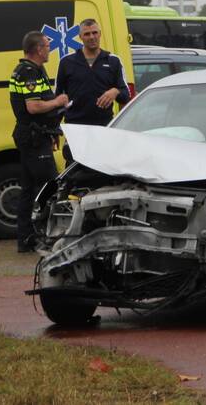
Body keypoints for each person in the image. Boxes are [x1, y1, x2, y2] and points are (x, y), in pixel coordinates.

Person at [9, 31, 68, 253]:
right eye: (46, 45)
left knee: (28, 189)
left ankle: (27, 239)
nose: (49, 49)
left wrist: (52, 129)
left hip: (36, 135)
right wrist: (59, 101)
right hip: (33, 139)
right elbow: (33, 107)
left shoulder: (33, 70)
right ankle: (48, 236)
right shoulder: (28, 72)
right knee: (50, 187)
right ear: (37, 49)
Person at [55, 18, 131, 165]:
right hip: (76, 129)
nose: (92, 37)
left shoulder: (113, 61)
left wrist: (114, 91)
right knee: (74, 175)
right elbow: (57, 99)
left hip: (103, 128)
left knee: (102, 172)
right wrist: (55, 130)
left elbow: (125, 94)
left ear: (100, 34)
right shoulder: (66, 62)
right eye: (87, 34)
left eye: (95, 33)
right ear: (80, 37)